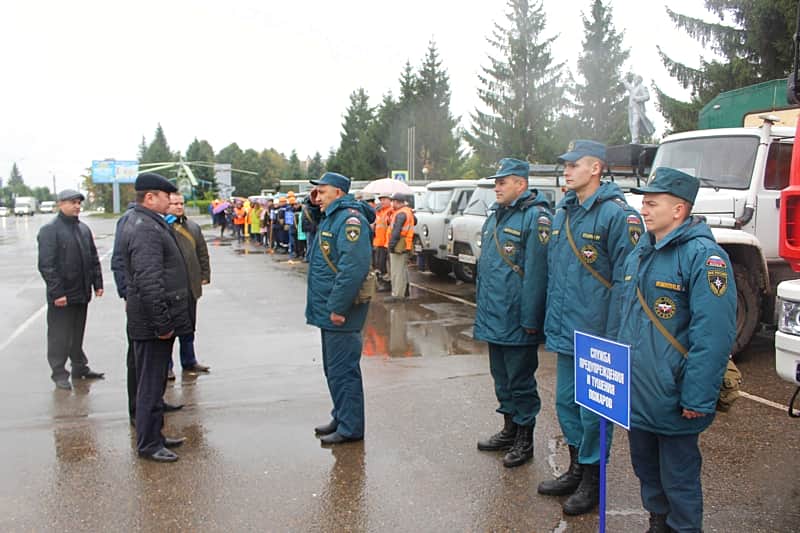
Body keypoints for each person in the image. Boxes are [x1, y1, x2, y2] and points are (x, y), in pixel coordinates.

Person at [619, 168, 736, 533]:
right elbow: (624, 318)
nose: (644, 209)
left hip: (674, 397)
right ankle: (658, 523)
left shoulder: (705, 258)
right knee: (646, 470)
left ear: (679, 210)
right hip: (639, 394)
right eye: (643, 202)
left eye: (653, 203)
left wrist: (698, 398)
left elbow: (713, 336)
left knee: (679, 479)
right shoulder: (641, 251)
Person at [538, 140, 644, 515]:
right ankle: (576, 468)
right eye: (564, 165)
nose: (566, 171)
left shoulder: (619, 216)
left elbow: (628, 282)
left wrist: (616, 337)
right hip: (566, 329)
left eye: (573, 165)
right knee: (566, 403)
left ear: (596, 168)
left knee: (593, 409)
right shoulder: (564, 211)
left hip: (599, 333)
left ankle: (593, 481)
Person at [473, 158, 552, 468]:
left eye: (502, 181)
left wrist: (532, 319)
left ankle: (525, 439)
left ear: (521, 184)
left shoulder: (536, 218)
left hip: (518, 318)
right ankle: (509, 429)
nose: (497, 187)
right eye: (496, 181)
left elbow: (537, 273)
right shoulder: (495, 218)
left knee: (520, 381)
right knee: (502, 378)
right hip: (494, 315)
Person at [121, 173, 193, 462]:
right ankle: (149, 443)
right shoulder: (145, 228)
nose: (170, 201)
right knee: (150, 385)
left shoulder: (147, 222)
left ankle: (154, 435)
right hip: (152, 324)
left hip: (153, 321)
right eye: (165, 196)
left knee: (154, 383)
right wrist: (163, 323)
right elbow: (150, 281)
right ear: (150, 198)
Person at [305, 172, 374, 445]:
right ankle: (342, 415)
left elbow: (352, 269)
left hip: (339, 311)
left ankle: (351, 427)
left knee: (343, 370)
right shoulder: (332, 216)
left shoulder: (349, 221)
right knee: (333, 369)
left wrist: (337, 306)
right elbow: (308, 223)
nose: (317, 197)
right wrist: (313, 204)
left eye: (322, 192)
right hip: (328, 308)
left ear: (338, 192)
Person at [37, 189, 105, 390]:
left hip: (81, 293)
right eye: (72, 202)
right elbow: (46, 265)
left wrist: (97, 284)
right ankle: (59, 373)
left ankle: (79, 368)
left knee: (77, 333)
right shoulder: (50, 230)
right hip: (62, 296)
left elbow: (93, 259)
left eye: (78, 202)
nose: (77, 206)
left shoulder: (83, 229)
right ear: (60, 204)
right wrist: (57, 293)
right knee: (59, 335)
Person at [166, 193, 212, 376]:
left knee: (189, 327)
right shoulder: (162, 227)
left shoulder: (193, 227)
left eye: (181, 203)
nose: (178, 207)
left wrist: (204, 274)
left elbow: (202, 252)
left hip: (190, 286)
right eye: (174, 203)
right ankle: (167, 367)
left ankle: (189, 361)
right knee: (169, 329)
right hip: (170, 288)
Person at [384, 193, 415, 303]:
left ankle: (397, 295)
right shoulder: (407, 211)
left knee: (397, 271)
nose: (392, 204)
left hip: (399, 244)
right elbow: (415, 221)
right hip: (405, 244)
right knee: (402, 270)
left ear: (397, 202)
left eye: (393, 202)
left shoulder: (401, 213)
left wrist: (391, 245)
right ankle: (404, 292)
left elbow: (396, 232)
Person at [623, 73, 656, 144]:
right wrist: (625, 80)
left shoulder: (642, 87)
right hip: (631, 108)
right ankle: (634, 139)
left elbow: (647, 97)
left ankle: (635, 140)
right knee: (631, 124)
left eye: (635, 79)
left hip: (638, 109)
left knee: (635, 123)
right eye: (634, 79)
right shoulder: (633, 88)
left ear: (639, 80)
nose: (634, 81)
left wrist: (637, 98)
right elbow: (628, 86)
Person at [372, 194, 393, 291]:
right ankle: (382, 282)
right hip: (378, 242)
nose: (382, 201)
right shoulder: (379, 212)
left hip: (385, 243)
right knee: (379, 265)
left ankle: (387, 284)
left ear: (390, 200)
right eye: (381, 200)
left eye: (385, 199)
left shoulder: (390, 211)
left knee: (385, 266)